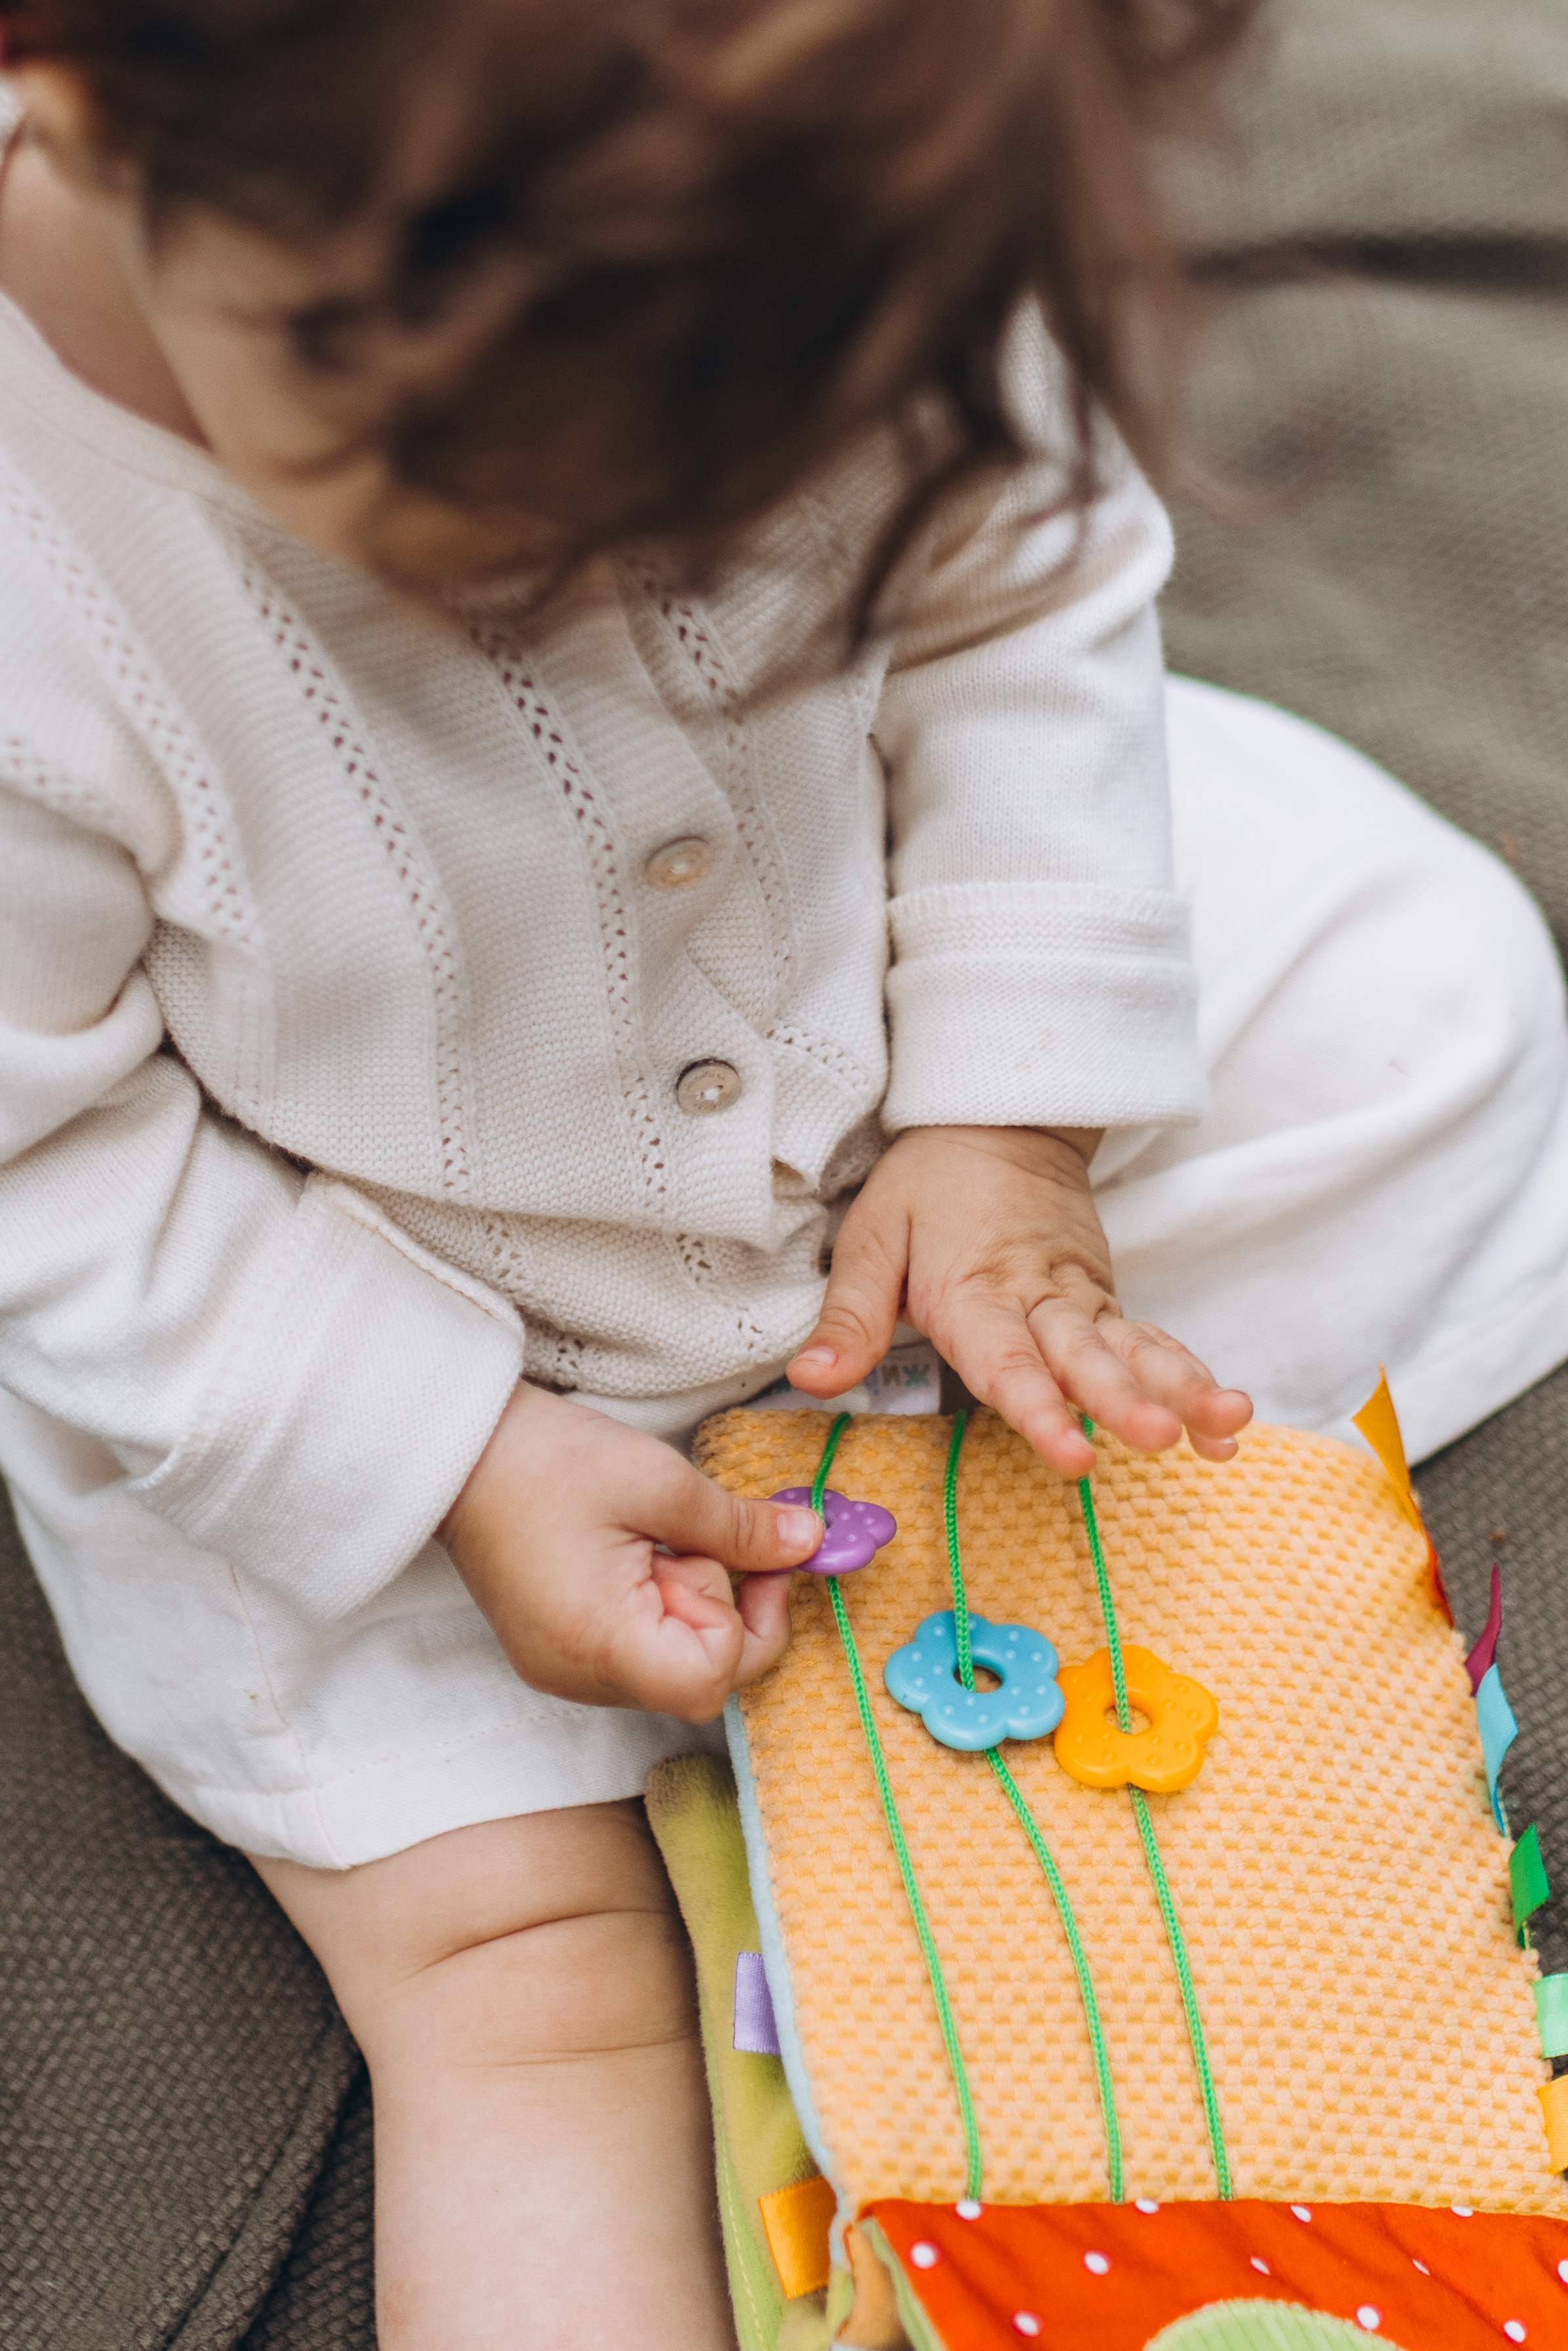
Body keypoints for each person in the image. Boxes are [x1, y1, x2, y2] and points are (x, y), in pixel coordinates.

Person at [1, 4, 1566, 2346]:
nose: (614, 525)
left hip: (875, 1043)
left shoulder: (856, 201)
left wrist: (1011, 1118)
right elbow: (49, 1159)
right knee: (519, 1975)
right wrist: (448, 1457)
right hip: (366, 1288)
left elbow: (1021, 601)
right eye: (483, 451)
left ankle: (1003, 1398)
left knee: (1413, 993)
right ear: (87, 91)